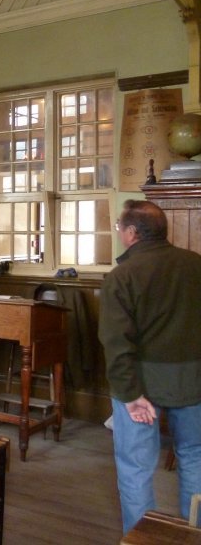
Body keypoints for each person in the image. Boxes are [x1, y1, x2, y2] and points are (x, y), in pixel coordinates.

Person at [99, 199, 201, 534]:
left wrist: (129, 395)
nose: (119, 232)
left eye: (119, 227)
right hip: (194, 382)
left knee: (136, 468)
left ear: (131, 233)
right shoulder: (196, 265)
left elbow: (116, 343)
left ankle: (140, 540)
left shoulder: (122, 276)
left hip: (139, 388)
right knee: (196, 459)